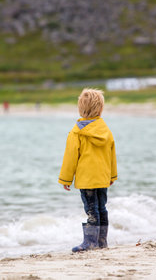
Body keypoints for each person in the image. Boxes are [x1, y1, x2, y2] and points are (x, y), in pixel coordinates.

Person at [58, 88, 117, 252]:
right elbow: (112, 153)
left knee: (92, 210)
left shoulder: (77, 132)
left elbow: (70, 157)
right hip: (103, 177)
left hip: (87, 179)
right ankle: (102, 241)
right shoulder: (105, 131)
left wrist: (65, 179)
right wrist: (112, 175)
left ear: (80, 109)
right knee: (102, 208)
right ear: (101, 108)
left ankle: (90, 242)